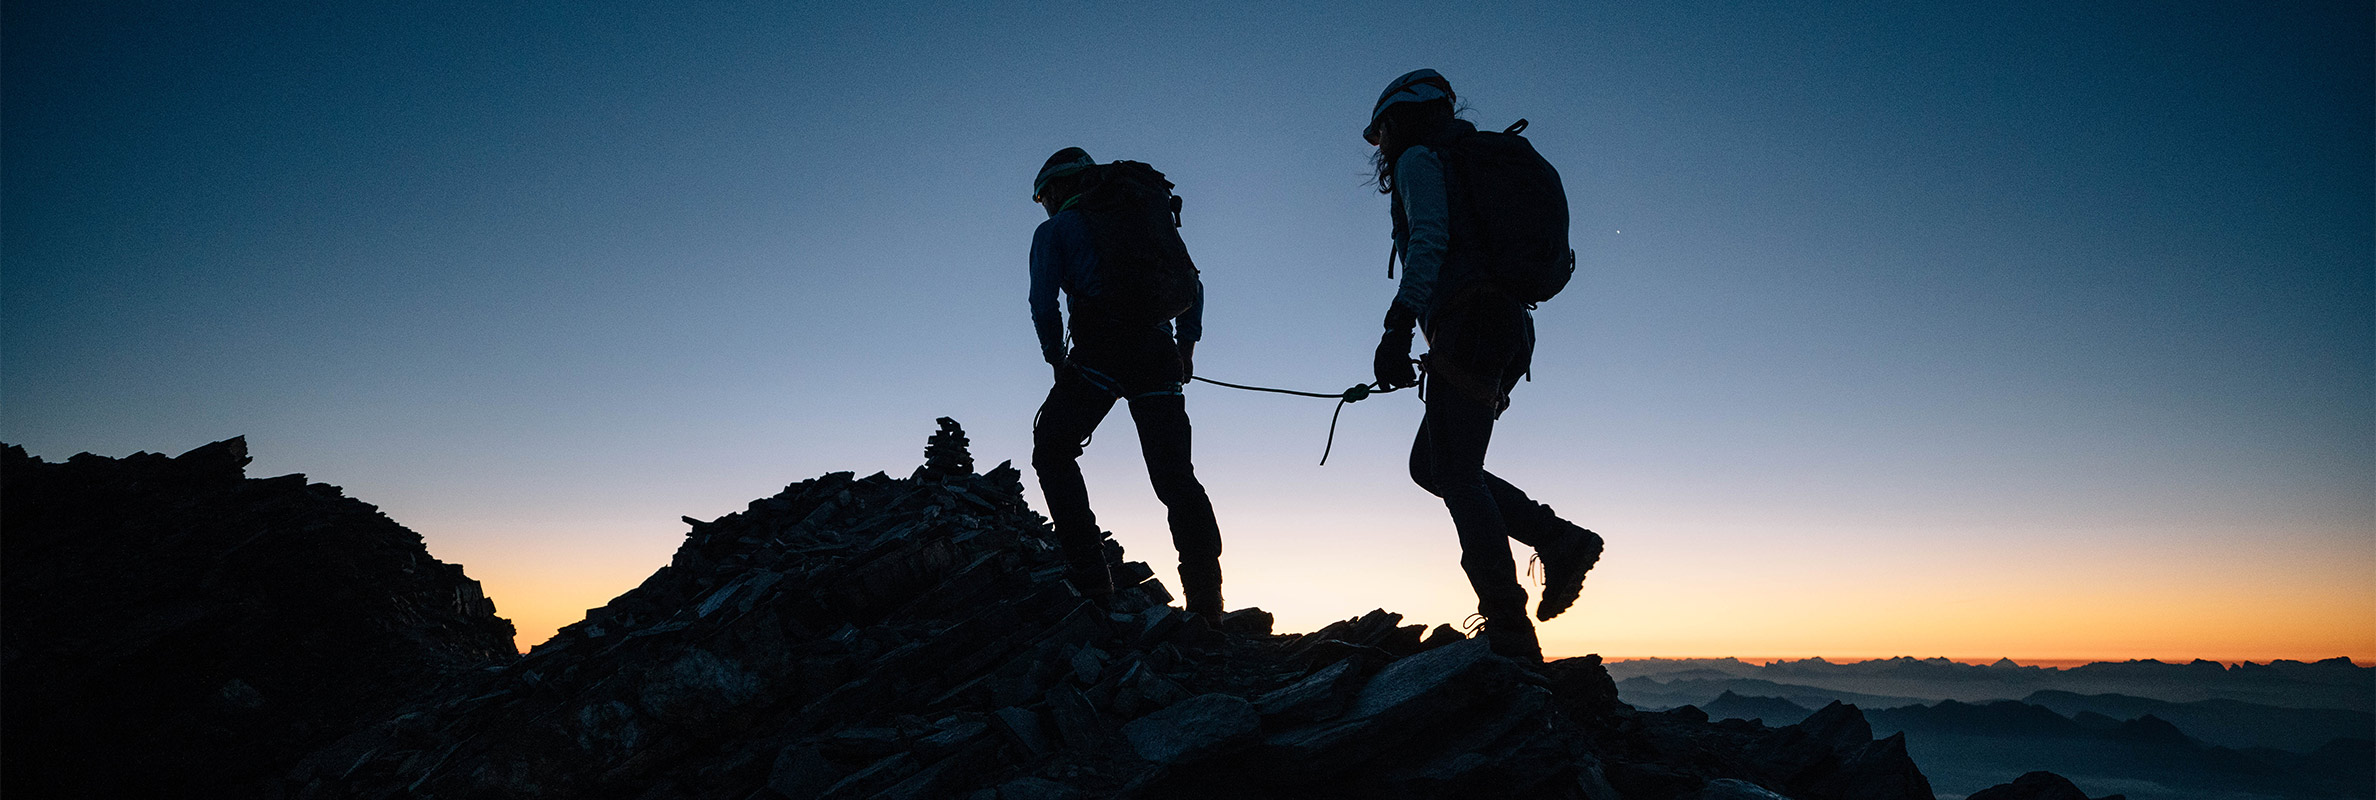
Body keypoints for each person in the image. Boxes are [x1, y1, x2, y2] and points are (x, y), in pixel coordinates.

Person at [1362, 70, 1603, 662]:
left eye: (1384, 129)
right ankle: (1558, 541)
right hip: (1503, 327)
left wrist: (1397, 327)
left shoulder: (1423, 160)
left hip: (1469, 324)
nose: (1382, 145)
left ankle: (1509, 629)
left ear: (1404, 119)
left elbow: (1429, 243)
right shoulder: (1471, 160)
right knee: (1437, 464)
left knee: (1457, 472)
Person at [1027, 147, 1226, 617]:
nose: (1044, 206)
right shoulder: (1141, 218)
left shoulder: (1054, 231)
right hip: (1157, 353)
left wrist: (1057, 359)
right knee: (1176, 476)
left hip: (1100, 352)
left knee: (1053, 449)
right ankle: (1206, 600)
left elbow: (1043, 304)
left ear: (1056, 189)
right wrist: (1186, 347)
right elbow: (1192, 284)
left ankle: (1093, 581)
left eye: (1042, 197)